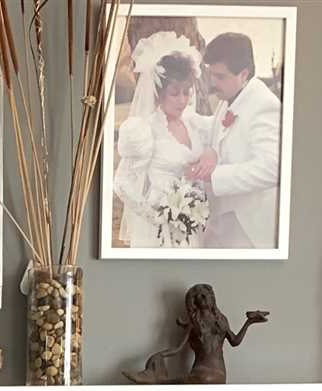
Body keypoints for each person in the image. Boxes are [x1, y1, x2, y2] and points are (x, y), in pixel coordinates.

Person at [111, 35, 214, 249]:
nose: (182, 100)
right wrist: (157, 213)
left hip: (191, 225)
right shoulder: (145, 130)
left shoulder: (195, 124)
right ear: (158, 93)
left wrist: (210, 152)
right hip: (158, 231)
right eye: (174, 93)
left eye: (186, 92)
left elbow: (222, 132)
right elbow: (122, 183)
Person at [182, 31, 282, 249]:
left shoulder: (265, 106)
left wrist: (213, 175)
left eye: (220, 76)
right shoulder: (230, 96)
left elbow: (273, 169)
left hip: (248, 226)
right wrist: (179, 116)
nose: (214, 83)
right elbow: (218, 129)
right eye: (212, 75)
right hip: (223, 220)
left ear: (243, 74)